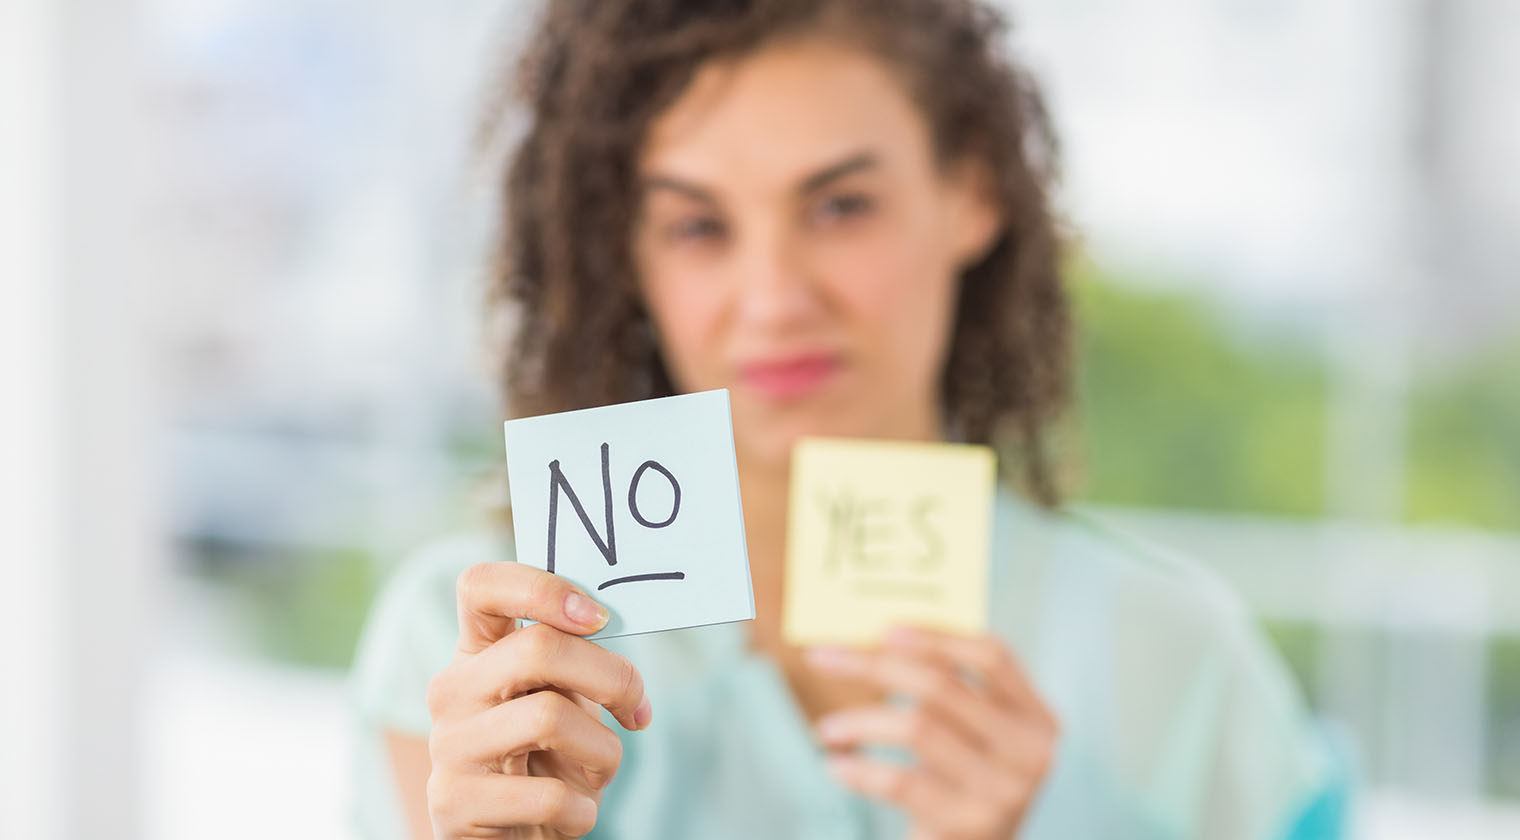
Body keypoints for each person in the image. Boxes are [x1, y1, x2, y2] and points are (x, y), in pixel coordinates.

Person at [349, 0, 1350, 837]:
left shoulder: (1182, 657)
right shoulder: (473, 651)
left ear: (972, 193)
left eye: (839, 207)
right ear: (628, 257)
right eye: (697, 226)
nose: (774, 297)